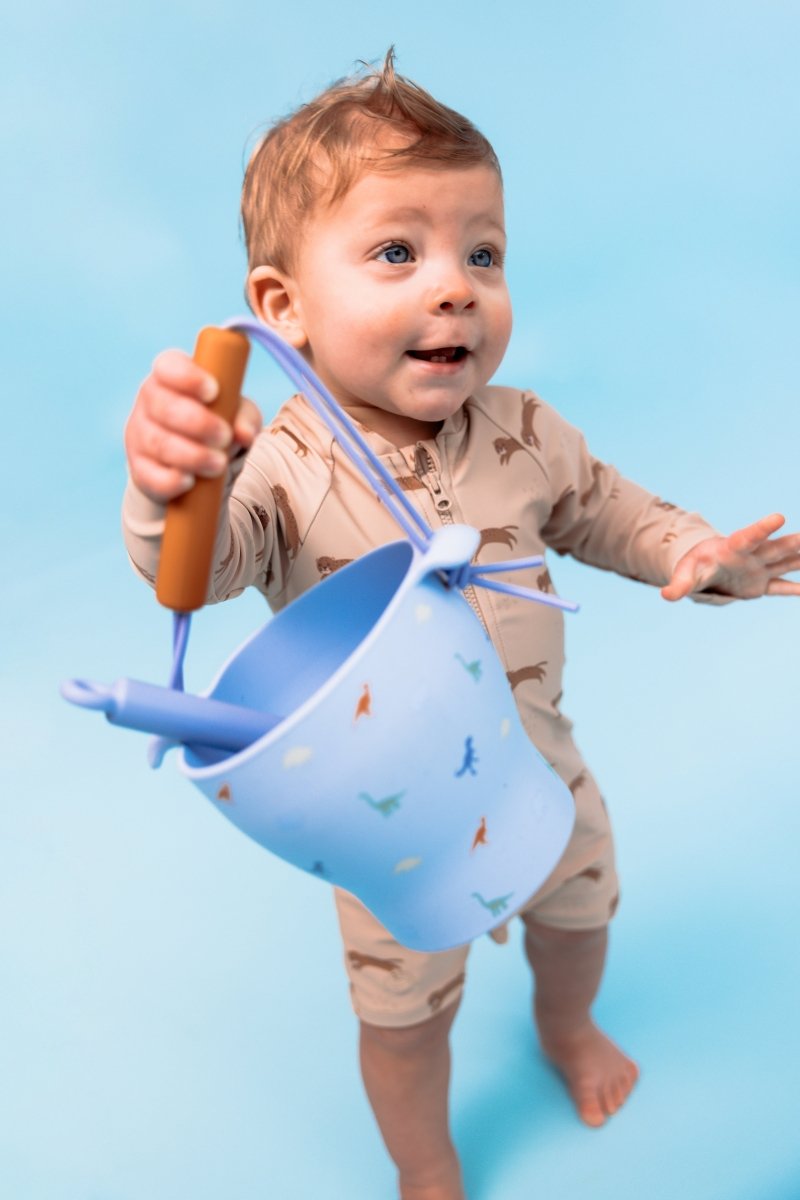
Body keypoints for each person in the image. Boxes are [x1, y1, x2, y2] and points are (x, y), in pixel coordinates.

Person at [121, 50, 800, 1200]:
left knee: (579, 915)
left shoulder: (521, 428)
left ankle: (564, 1027)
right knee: (404, 1021)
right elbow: (196, 572)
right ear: (282, 307)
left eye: (481, 253)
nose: (455, 288)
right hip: (387, 822)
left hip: (539, 768)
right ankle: (424, 1162)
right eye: (398, 252)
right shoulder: (279, 466)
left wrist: (693, 553)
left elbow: (607, 510)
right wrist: (172, 490)